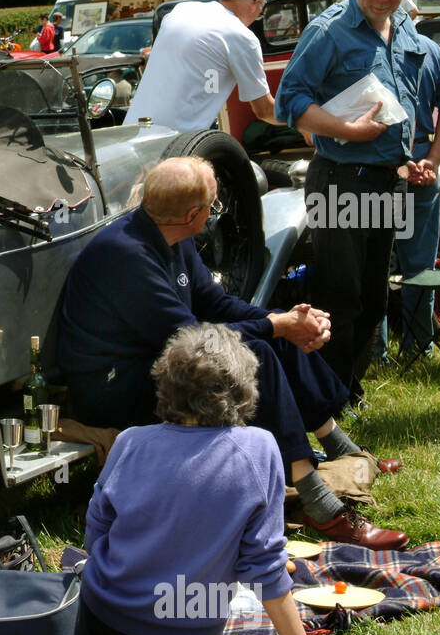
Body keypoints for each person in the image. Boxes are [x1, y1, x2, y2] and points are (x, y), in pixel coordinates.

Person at [58, 157, 408, 549]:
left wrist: (287, 320)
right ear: (194, 214)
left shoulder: (170, 234)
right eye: (213, 205)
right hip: (113, 388)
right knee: (257, 345)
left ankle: (338, 446)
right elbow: (190, 335)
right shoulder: (126, 256)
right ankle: (317, 501)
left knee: (272, 333)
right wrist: (276, 325)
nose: (214, 212)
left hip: (160, 359)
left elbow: (216, 305)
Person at [81, 323, 370, 635]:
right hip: (192, 625)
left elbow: (97, 528)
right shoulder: (259, 448)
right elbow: (263, 565)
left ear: (166, 382)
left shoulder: (130, 441)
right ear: (242, 388)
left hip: (107, 615)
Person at [275, 0, 426, 403]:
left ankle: (347, 393)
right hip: (340, 179)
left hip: (386, 181)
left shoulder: (401, 25)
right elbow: (290, 102)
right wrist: (347, 128)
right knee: (341, 300)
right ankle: (325, 401)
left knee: (375, 299)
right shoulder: (328, 29)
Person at [122, 0, 279, 131]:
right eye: (261, 10)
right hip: (174, 144)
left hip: (131, 131)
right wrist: (301, 121)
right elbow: (264, 110)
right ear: (256, 3)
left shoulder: (181, 10)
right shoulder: (241, 36)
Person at [393, 32, 440, 355]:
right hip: (420, 158)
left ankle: (374, 351)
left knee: (372, 265)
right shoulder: (432, 50)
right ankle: (418, 345)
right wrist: (431, 161)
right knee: (420, 266)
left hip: (379, 165)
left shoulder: (366, 45)